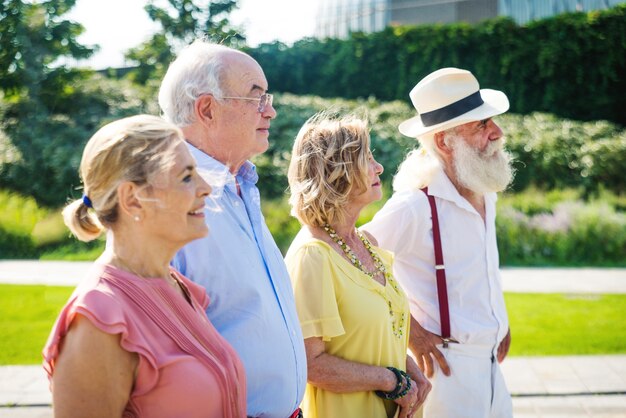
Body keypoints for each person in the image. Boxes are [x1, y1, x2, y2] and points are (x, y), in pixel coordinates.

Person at [42, 115, 246, 418]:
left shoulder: (180, 287)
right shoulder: (99, 318)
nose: (205, 188)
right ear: (133, 199)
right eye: (187, 176)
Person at [159, 40, 306, 418]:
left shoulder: (240, 185)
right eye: (256, 98)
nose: (271, 111)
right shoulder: (169, 199)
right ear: (207, 109)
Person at [364, 68, 515, 417]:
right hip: (445, 374)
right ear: (445, 142)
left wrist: (499, 322)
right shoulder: (414, 205)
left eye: (491, 121)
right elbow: (352, 264)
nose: (498, 133)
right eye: (481, 125)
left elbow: (481, 270)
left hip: (492, 365)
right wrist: (410, 332)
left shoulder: (483, 191)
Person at [285, 114, 431, 418]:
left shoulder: (366, 245)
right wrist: (391, 380)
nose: (378, 167)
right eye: (366, 158)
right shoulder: (313, 255)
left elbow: (373, 339)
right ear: (335, 171)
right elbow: (310, 364)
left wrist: (410, 370)